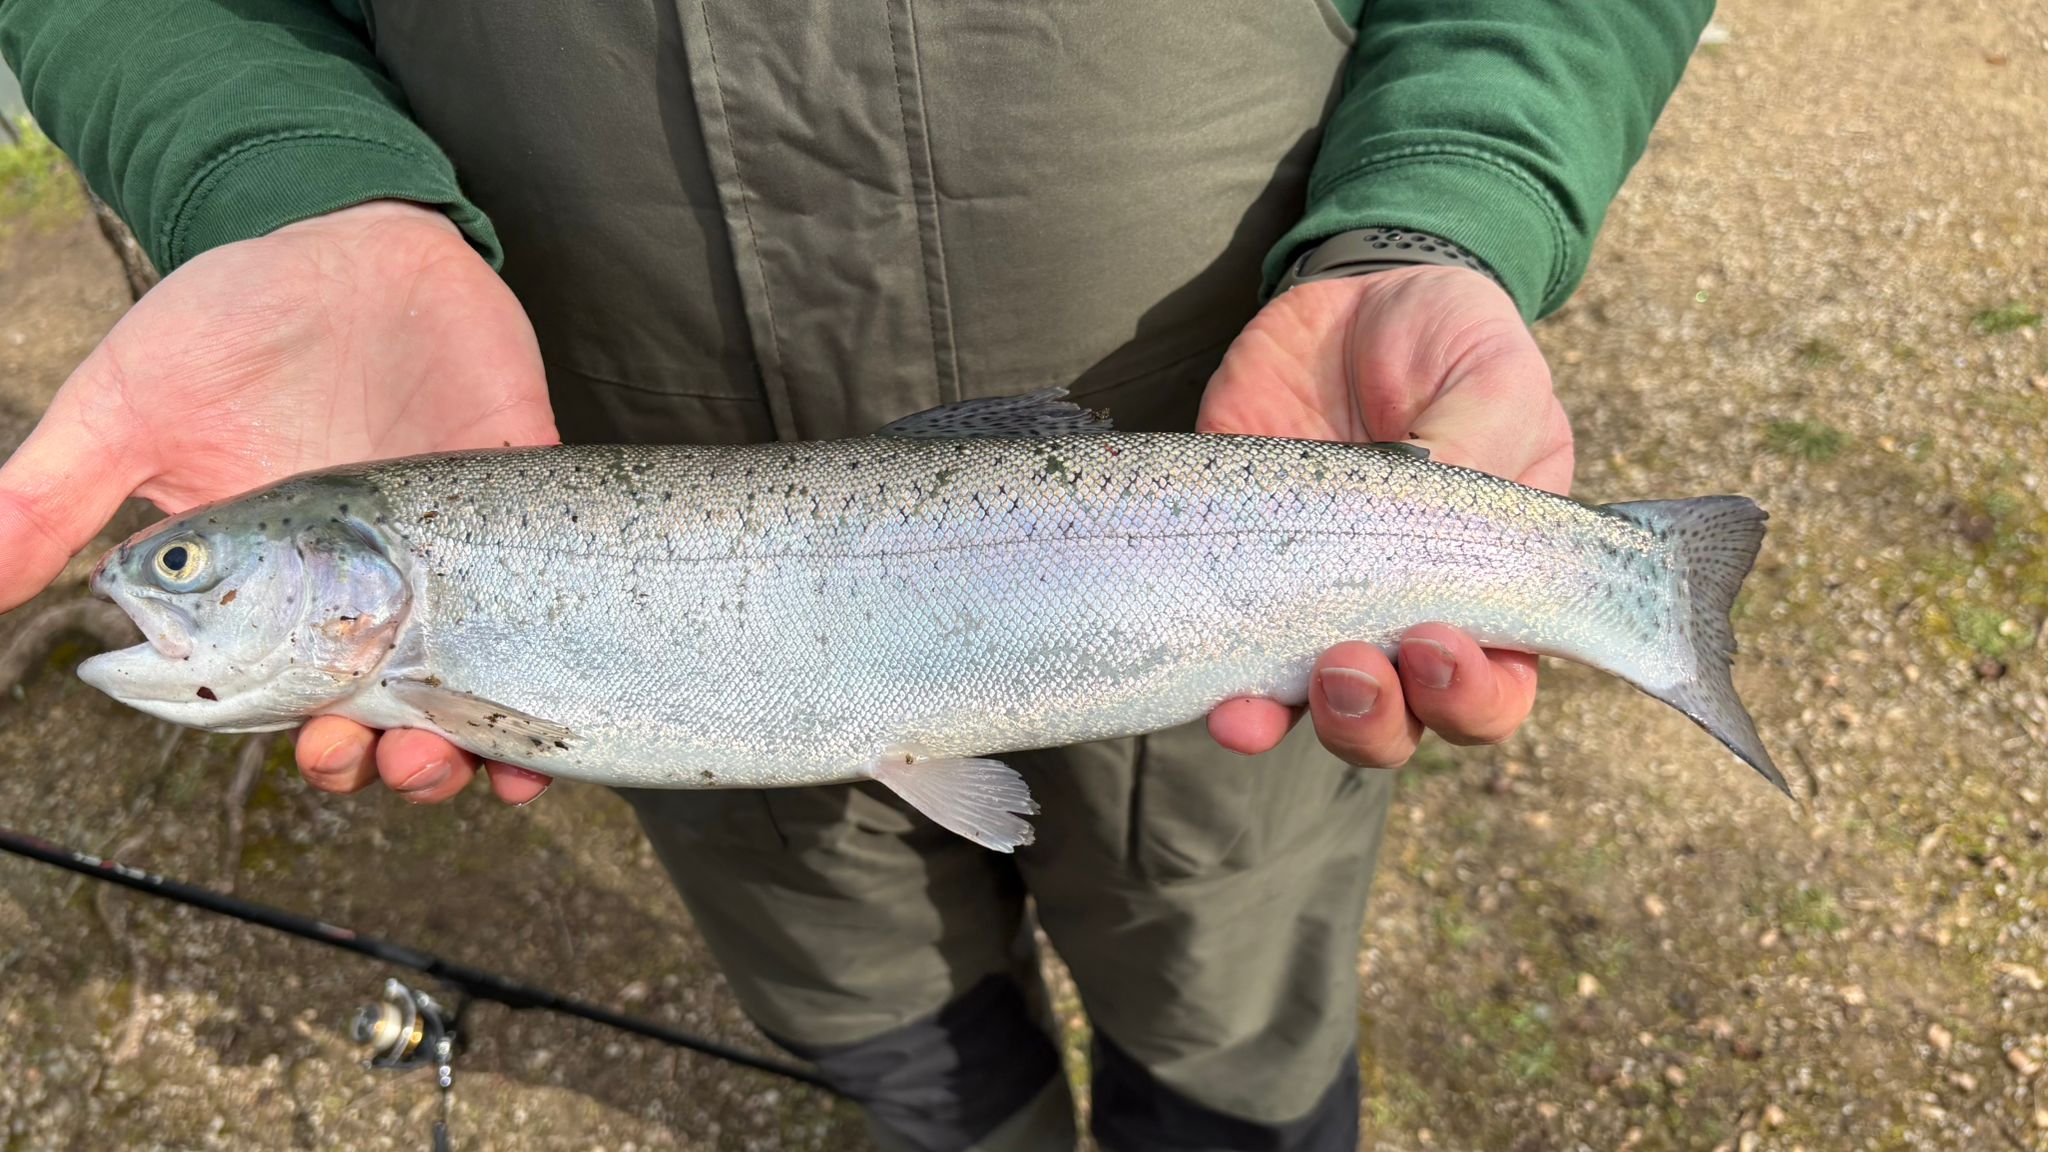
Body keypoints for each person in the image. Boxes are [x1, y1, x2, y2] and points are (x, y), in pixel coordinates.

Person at [0, 2, 1713, 1147]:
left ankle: (1634, 590)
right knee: (888, 1022)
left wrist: (1450, 199)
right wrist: (286, 182)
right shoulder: (415, 623)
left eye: (189, 565)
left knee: (1233, 1024)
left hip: (1220, 440)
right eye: (185, 568)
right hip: (627, 512)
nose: (163, 587)